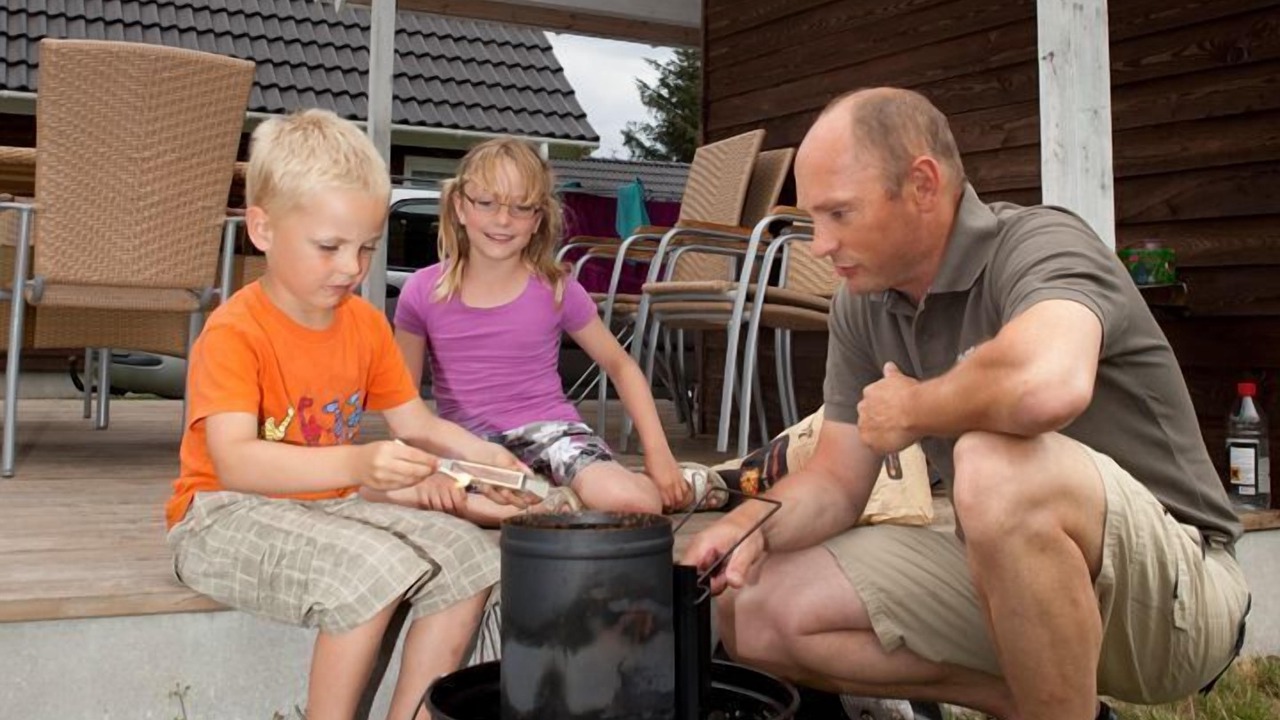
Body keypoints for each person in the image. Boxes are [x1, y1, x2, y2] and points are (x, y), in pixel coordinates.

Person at [683, 88, 1250, 720]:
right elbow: (838, 482)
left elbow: (1048, 383)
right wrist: (745, 524)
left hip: (1179, 595)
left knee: (994, 463)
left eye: (839, 213)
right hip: (1017, 579)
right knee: (752, 608)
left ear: (923, 184)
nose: (819, 244)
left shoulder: (1043, 244)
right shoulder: (862, 303)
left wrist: (915, 409)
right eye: (814, 217)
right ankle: (1036, 705)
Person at [166, 109, 514, 720]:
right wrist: (360, 461)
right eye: (329, 247)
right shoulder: (234, 332)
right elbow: (235, 462)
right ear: (263, 228)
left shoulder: (364, 324)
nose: (353, 268)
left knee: (472, 557)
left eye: (366, 248)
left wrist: (485, 457)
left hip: (327, 505)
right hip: (220, 516)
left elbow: (418, 422)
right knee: (377, 567)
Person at [393, 137, 697, 524]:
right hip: (468, 447)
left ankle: (675, 481)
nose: (503, 221)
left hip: (553, 434)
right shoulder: (421, 291)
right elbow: (403, 403)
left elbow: (621, 366)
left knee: (635, 504)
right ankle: (553, 502)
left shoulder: (555, 288)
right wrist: (428, 466)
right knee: (418, 495)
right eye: (486, 203)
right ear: (459, 207)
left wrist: (659, 454)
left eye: (521, 208)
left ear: (537, 219)